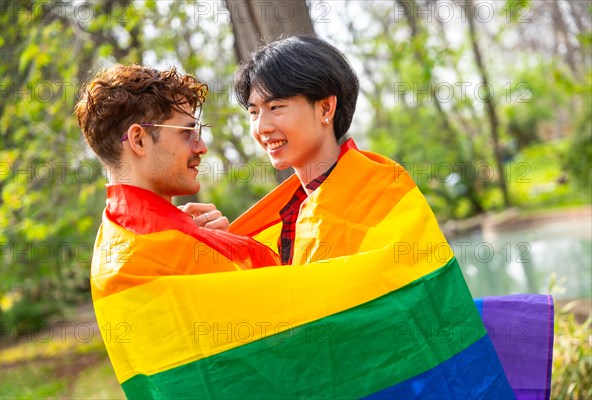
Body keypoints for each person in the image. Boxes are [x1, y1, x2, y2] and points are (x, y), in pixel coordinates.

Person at [228, 36, 523, 398]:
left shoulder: (382, 190)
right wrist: (217, 245)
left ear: (325, 108)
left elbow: (417, 302)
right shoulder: (287, 213)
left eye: (276, 107)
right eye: (254, 112)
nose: (262, 127)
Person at [75, 64, 281, 396]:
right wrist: (228, 249)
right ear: (139, 140)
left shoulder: (115, 235)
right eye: (187, 132)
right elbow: (286, 314)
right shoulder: (164, 245)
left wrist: (218, 241)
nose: (201, 147)